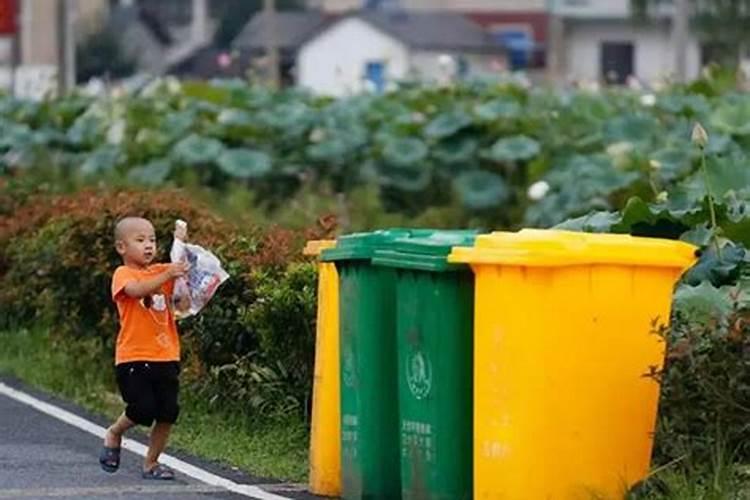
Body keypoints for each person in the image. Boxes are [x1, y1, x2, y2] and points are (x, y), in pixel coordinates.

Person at [99, 216, 190, 480]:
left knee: (168, 411)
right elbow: (137, 291)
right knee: (142, 408)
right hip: (133, 357)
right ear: (121, 247)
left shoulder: (162, 270)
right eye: (140, 240)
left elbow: (182, 303)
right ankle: (115, 432)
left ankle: (151, 464)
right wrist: (168, 274)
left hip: (167, 354)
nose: (148, 245)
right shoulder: (123, 274)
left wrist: (182, 268)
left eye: (152, 240)